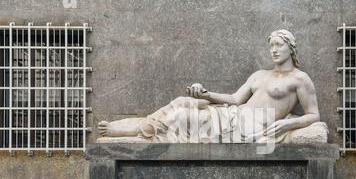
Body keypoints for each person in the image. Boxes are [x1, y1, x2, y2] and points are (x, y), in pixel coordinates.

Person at [97, 29, 328, 144]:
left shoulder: (300, 79)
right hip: (234, 114)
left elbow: (313, 115)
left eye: (279, 45)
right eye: (272, 46)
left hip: (250, 127)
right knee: (181, 103)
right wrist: (206, 93)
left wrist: (289, 123)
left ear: (291, 48)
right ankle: (142, 129)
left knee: (181, 117)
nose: (274, 50)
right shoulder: (260, 75)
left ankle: (135, 133)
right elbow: (236, 99)